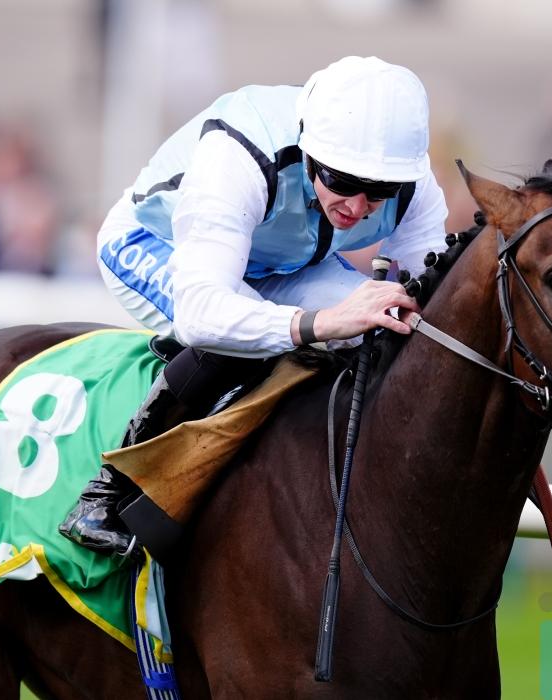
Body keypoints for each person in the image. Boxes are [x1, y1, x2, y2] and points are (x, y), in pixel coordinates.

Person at [60, 56, 449, 555]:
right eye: (341, 181)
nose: (357, 206)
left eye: (379, 191)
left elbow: (427, 305)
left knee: (379, 329)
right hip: (159, 244)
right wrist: (322, 323)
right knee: (241, 339)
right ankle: (106, 493)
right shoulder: (240, 155)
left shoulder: (412, 181)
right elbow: (204, 314)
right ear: (309, 151)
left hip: (281, 264)